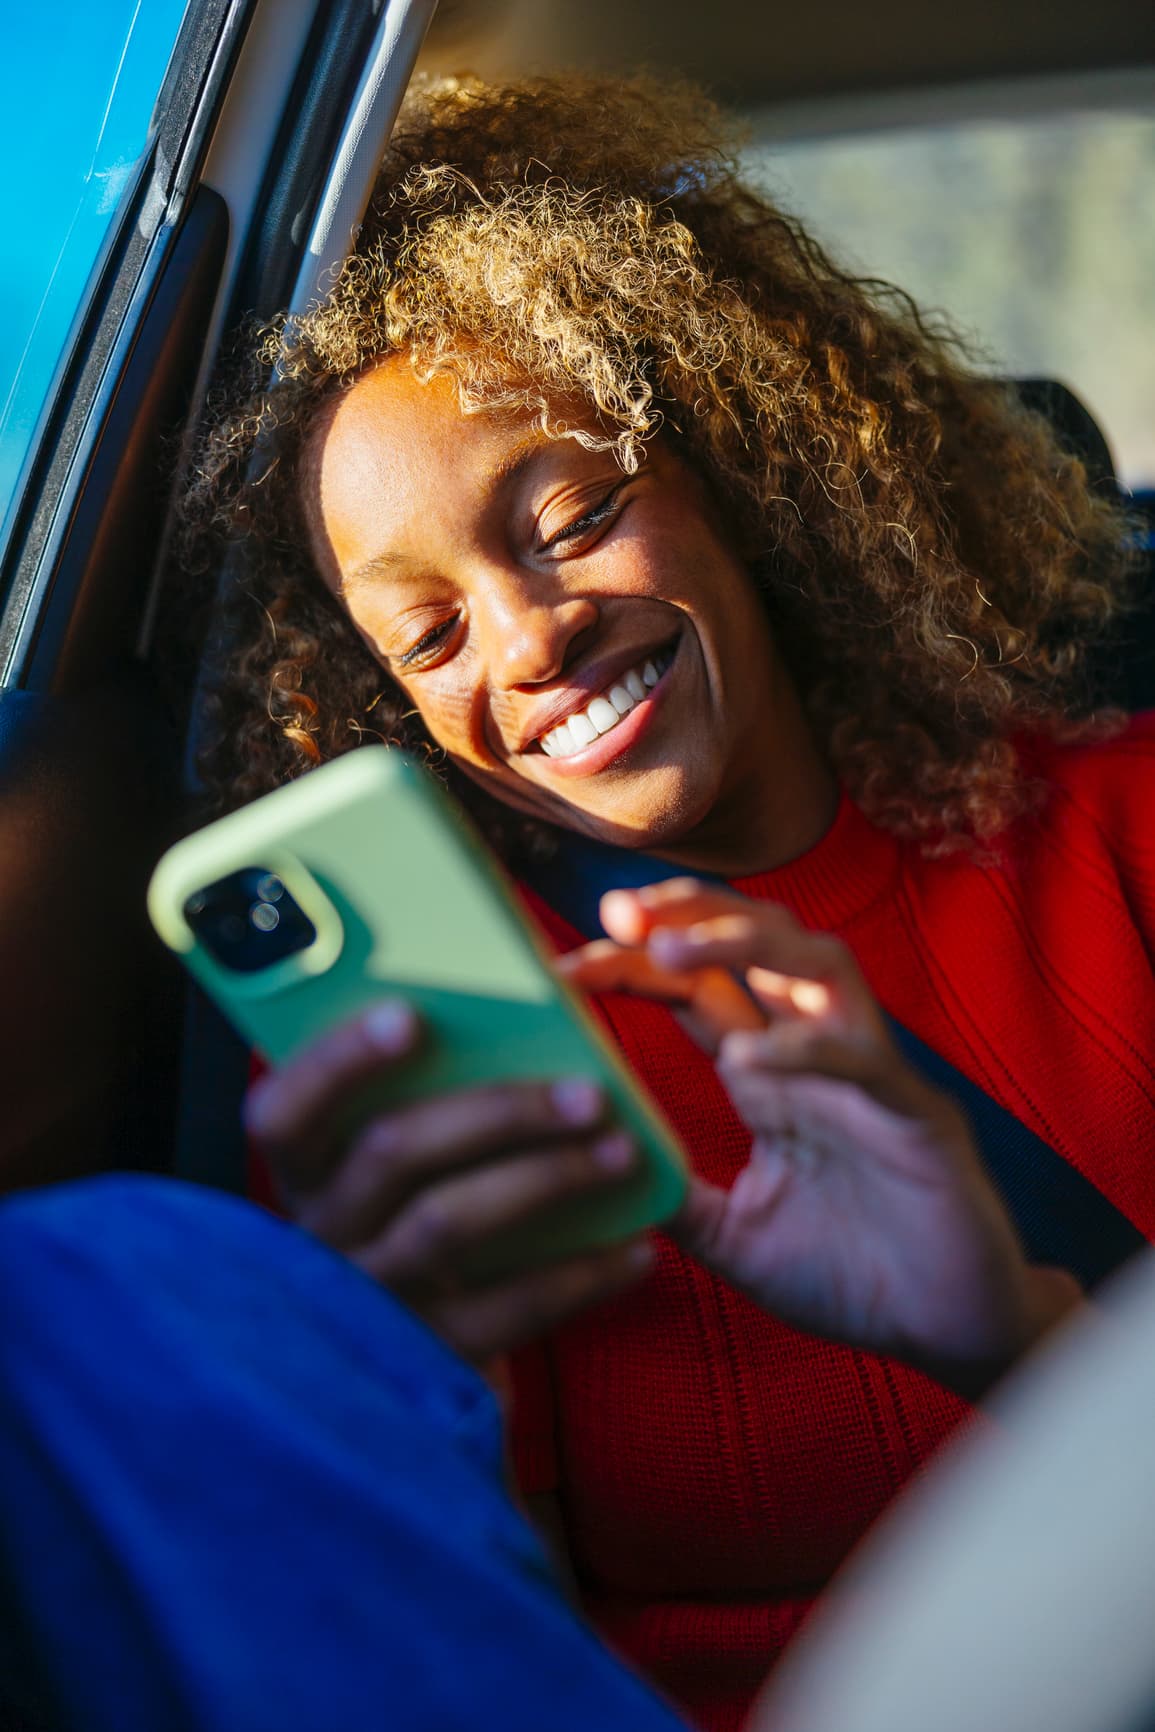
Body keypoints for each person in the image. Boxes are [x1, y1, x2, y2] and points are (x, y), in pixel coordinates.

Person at [178, 73, 1153, 1731]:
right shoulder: (440, 1062)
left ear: (743, 466)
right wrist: (397, 1374)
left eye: (570, 518)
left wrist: (1022, 1347)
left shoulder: (1123, 819)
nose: (525, 641)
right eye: (426, 640)